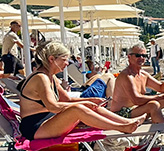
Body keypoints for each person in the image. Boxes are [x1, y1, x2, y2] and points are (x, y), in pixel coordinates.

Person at [17, 41, 145, 141]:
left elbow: (66, 99)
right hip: (36, 127)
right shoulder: (41, 78)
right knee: (78, 109)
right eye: (64, 59)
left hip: (48, 121)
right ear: (51, 59)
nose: (67, 63)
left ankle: (126, 122)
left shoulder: (51, 76)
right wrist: (82, 104)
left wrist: (90, 100)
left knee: (92, 106)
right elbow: (53, 106)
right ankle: (121, 127)